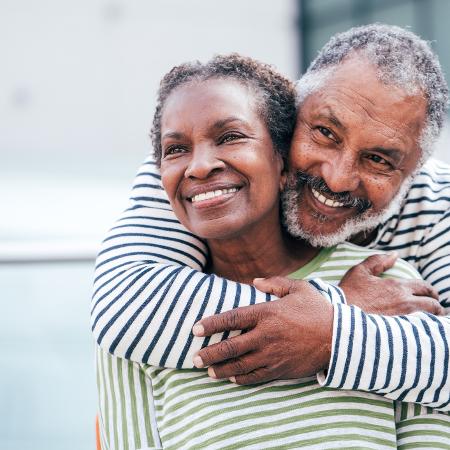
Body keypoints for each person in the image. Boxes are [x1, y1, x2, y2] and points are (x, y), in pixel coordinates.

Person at [96, 53, 447, 450]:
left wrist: (330, 330)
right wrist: (338, 307)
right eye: (326, 133)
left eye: (379, 159)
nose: (337, 176)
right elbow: (123, 307)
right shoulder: (139, 329)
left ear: (278, 160)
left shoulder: (394, 286)